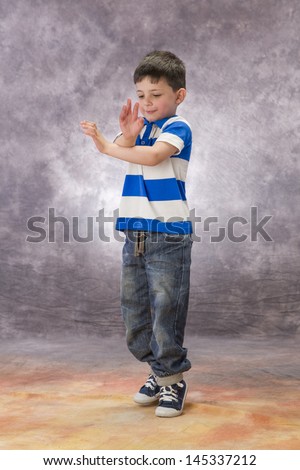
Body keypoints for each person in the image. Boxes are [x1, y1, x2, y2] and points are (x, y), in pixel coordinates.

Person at [80, 50, 193, 418]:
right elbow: (130, 149)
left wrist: (108, 146)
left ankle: (172, 379)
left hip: (168, 235)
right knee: (134, 314)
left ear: (179, 95)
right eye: (141, 94)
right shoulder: (140, 129)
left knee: (165, 310)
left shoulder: (178, 129)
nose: (147, 102)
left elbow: (153, 158)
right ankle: (158, 372)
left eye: (156, 95)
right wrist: (126, 136)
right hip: (135, 234)